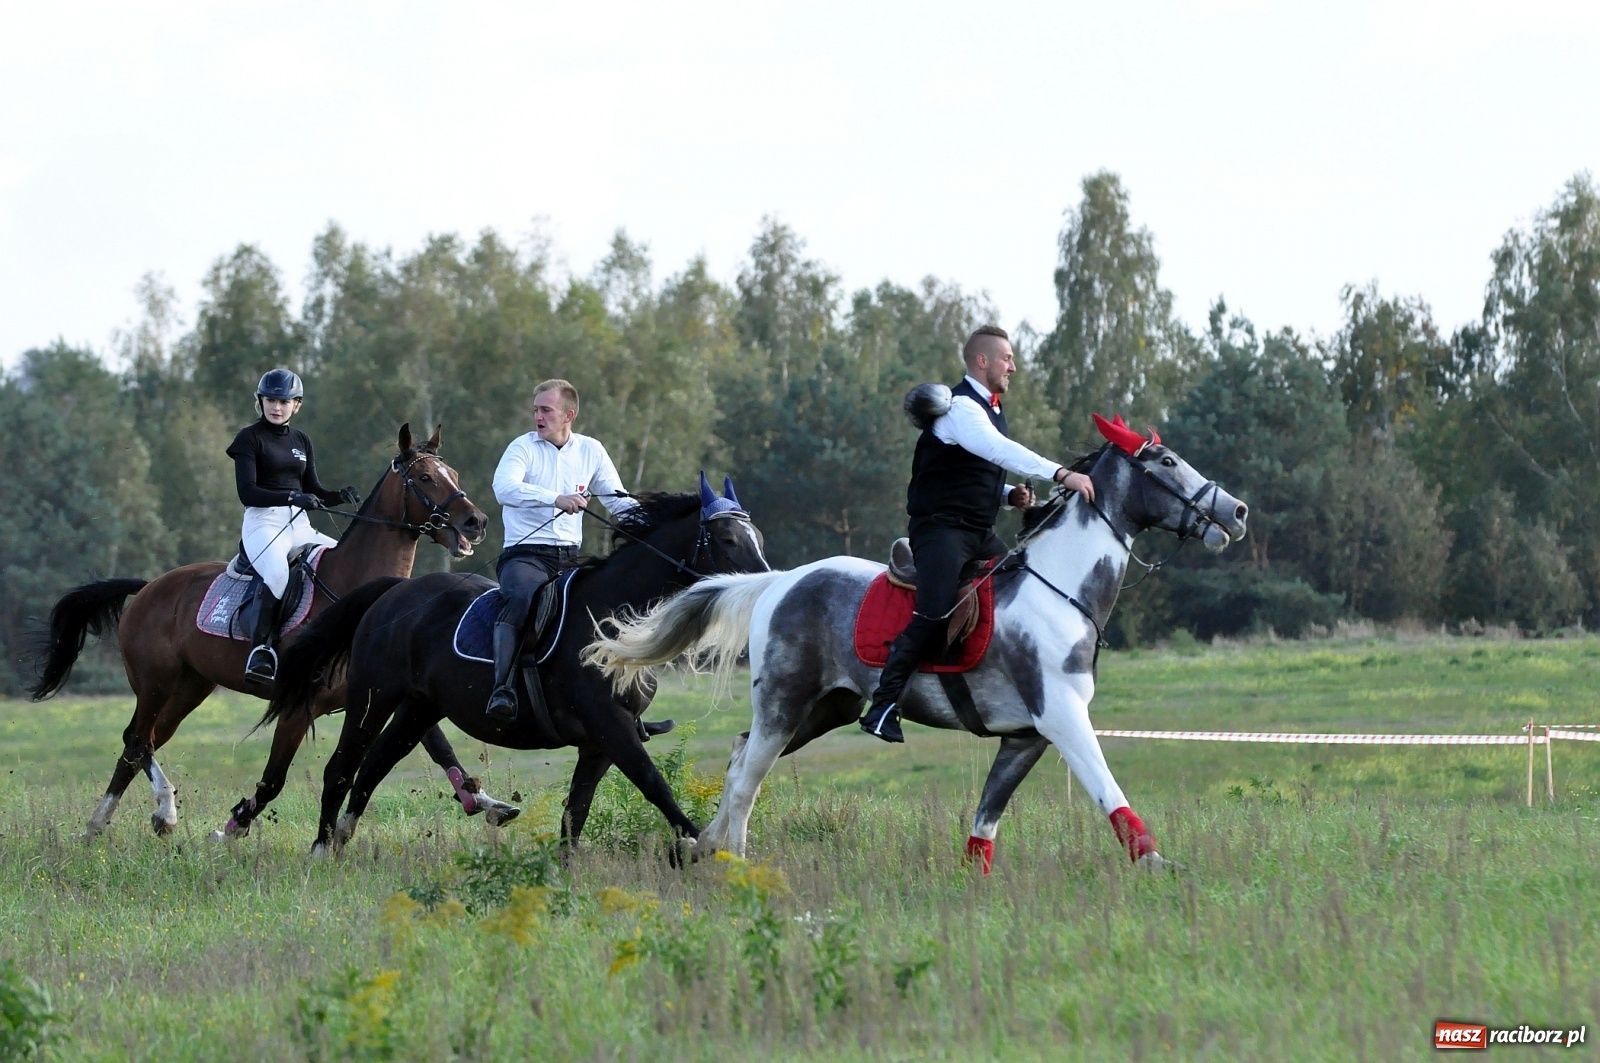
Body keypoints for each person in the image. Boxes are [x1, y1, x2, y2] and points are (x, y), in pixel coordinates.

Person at [860, 325, 1095, 743]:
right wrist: (1061, 473)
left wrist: (1009, 496)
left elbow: (970, 471)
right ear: (982, 361)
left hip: (977, 532)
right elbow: (1000, 451)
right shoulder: (961, 409)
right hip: (941, 532)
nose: (1014, 366)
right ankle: (882, 706)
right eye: (1007, 358)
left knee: (1022, 590)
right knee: (933, 613)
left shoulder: (989, 408)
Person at [486, 378, 638, 722]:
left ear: (569, 414)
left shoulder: (591, 450)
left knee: (609, 609)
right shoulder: (521, 448)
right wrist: (555, 498)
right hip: (525, 556)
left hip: (570, 558)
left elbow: (618, 501)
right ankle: (502, 688)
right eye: (536, 409)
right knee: (521, 599)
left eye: (546, 410)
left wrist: (650, 523)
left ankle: (628, 710)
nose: (537, 416)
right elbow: (504, 489)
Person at [227, 368, 360, 683]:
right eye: (271, 400)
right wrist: (291, 496)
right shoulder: (249, 438)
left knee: (344, 562)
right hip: (263, 524)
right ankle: (262, 652)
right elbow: (248, 492)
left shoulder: (302, 440)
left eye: (284, 402)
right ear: (260, 401)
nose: (277, 407)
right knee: (276, 574)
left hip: (299, 526)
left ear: (296, 405)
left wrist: (338, 496)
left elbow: (313, 490)